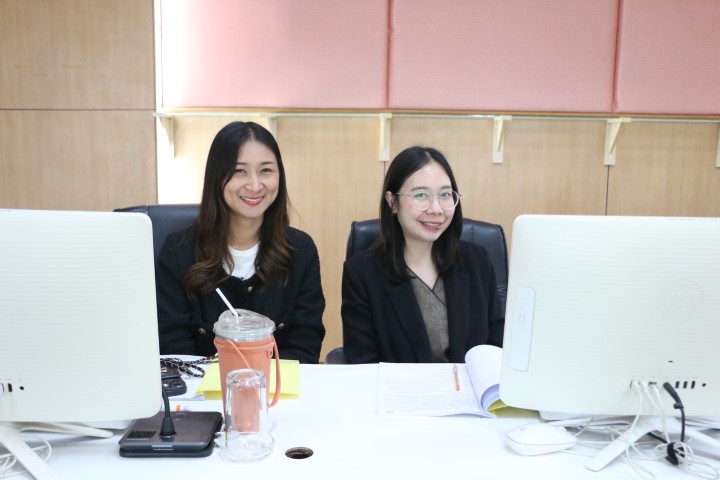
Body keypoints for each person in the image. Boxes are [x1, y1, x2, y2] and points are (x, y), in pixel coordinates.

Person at [155, 121, 326, 363]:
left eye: (265, 170)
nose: (255, 185)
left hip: (277, 385)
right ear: (217, 177)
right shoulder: (178, 252)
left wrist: (259, 382)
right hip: (200, 386)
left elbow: (305, 345)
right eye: (239, 171)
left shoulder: (300, 250)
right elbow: (174, 347)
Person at [341, 146, 504, 363]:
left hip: (470, 386)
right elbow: (363, 362)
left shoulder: (477, 261)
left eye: (445, 195)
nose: (436, 209)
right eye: (421, 195)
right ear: (392, 202)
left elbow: (498, 348)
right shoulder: (362, 273)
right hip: (398, 386)